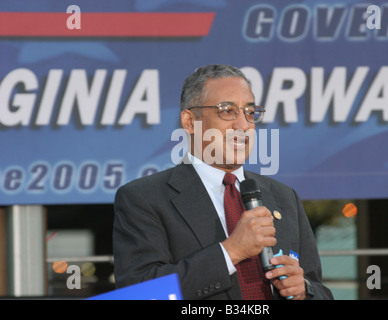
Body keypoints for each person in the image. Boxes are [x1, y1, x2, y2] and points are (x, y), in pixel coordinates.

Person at [113, 64, 333, 300]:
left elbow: (320, 290)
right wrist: (231, 252)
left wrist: (304, 290)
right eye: (227, 111)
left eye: (250, 113)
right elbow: (139, 294)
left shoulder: (283, 196)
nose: (243, 125)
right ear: (190, 122)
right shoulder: (144, 198)